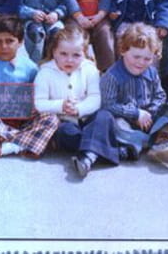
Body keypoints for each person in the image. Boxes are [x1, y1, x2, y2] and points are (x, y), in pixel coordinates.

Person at [0, 14, 59, 161]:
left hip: (23, 122)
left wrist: (35, 107)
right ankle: (32, 142)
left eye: (9, 41)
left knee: (51, 119)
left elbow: (39, 94)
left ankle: (7, 148)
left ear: (20, 42)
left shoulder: (30, 67)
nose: (4, 47)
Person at [34, 24, 119, 179]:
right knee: (65, 133)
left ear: (84, 54)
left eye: (76, 55)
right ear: (54, 52)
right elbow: (39, 103)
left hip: (87, 119)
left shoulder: (90, 69)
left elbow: (95, 98)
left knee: (104, 116)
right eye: (63, 54)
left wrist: (79, 109)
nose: (69, 60)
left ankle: (87, 157)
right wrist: (60, 105)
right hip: (64, 122)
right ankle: (105, 150)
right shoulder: (45, 72)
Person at [100, 22, 168, 165]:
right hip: (126, 120)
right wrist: (136, 114)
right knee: (113, 124)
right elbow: (108, 105)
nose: (141, 63)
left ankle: (159, 140)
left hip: (149, 118)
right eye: (136, 57)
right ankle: (151, 142)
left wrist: (149, 113)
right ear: (123, 51)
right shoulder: (112, 76)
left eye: (147, 59)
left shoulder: (152, 72)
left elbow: (160, 95)